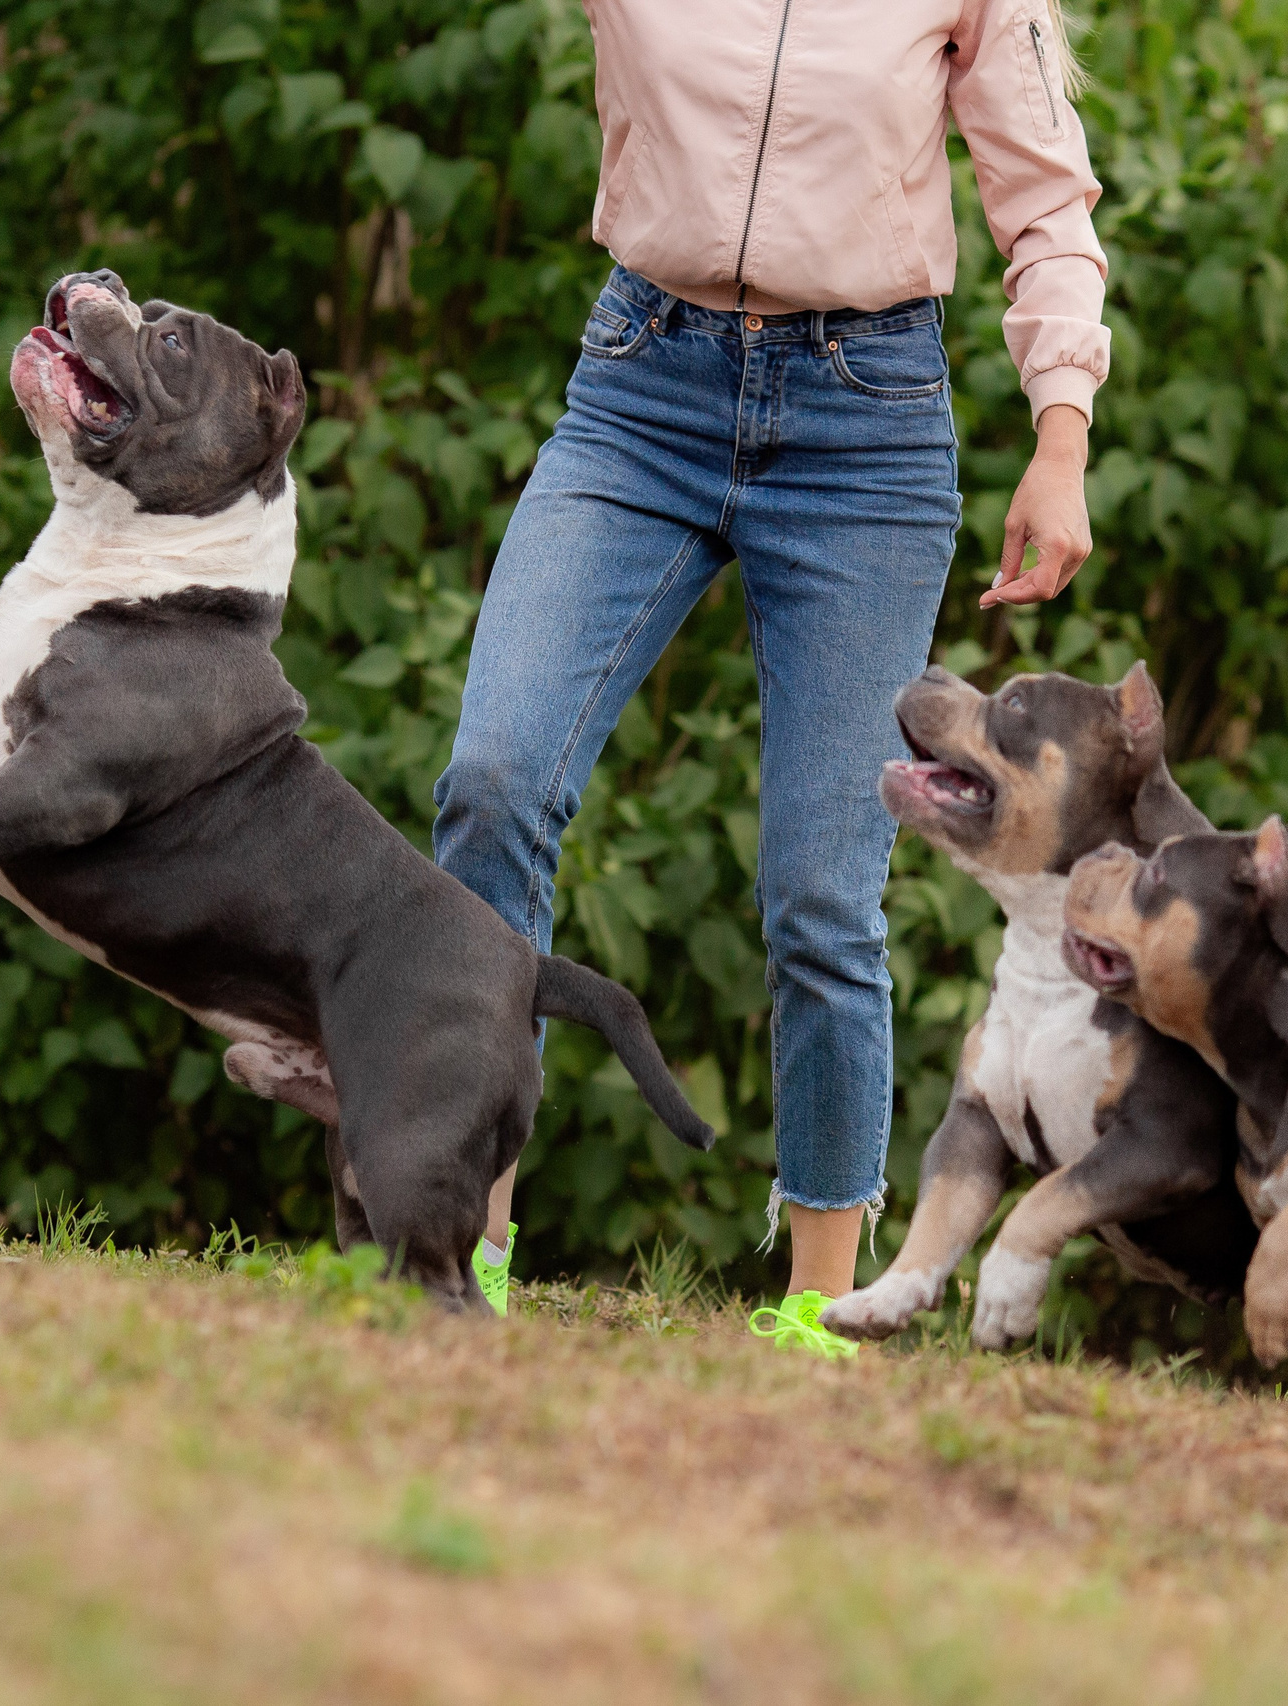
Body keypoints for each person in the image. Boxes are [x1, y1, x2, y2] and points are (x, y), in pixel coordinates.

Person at [432, 2, 1110, 1348]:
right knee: (496, 780)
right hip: (642, 390)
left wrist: (1062, 430)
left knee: (821, 883)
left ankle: (821, 1309)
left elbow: (1045, 200)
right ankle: (457, 1247)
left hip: (867, 423)